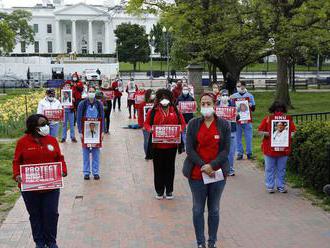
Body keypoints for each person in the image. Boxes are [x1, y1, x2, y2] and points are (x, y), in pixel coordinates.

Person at [182, 92, 230, 248]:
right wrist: (203, 165)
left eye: (209, 103)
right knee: (197, 210)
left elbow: (225, 151)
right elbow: (189, 149)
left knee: (214, 209)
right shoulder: (193, 124)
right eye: (203, 103)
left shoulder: (224, 125)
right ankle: (200, 242)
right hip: (197, 174)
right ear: (199, 105)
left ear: (214, 105)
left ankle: (212, 242)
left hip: (217, 174)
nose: (206, 106)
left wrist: (212, 166)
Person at [12, 114, 67, 248]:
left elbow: (59, 158)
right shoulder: (22, 142)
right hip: (30, 188)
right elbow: (16, 161)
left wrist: (63, 169)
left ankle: (51, 241)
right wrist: (17, 174)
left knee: (51, 214)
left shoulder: (52, 140)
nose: (46, 126)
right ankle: (40, 242)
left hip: (51, 187)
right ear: (33, 127)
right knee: (35, 215)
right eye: (43, 124)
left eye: (46, 123)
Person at [144, 89, 186, 200]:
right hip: (157, 145)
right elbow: (146, 124)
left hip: (171, 145)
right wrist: (151, 130)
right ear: (158, 99)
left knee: (170, 168)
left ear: (170, 99)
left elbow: (183, 124)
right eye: (162, 98)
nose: (164, 101)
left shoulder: (176, 110)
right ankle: (159, 190)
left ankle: (169, 190)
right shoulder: (153, 111)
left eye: (166, 98)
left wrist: (180, 130)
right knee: (158, 168)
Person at [258, 101, 296, 193]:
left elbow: (293, 132)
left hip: (278, 150)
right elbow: (260, 131)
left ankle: (273, 186)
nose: (279, 111)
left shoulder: (287, 120)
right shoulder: (268, 119)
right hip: (273, 150)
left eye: (280, 110)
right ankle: (278, 186)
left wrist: (288, 135)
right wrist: (269, 133)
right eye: (277, 110)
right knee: (278, 169)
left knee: (272, 169)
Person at [77, 86, 105, 180]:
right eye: (90, 91)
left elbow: (102, 117)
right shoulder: (82, 104)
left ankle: (96, 172)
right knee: (85, 152)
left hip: (96, 131)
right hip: (85, 131)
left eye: (93, 91)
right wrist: (80, 131)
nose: (91, 93)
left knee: (96, 152)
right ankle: (86, 172)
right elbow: (78, 118)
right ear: (87, 92)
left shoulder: (99, 104)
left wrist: (102, 131)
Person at [231, 81, 256, 160]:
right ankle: (239, 153)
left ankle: (249, 153)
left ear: (244, 86)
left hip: (247, 120)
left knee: (248, 137)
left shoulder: (250, 96)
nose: (238, 88)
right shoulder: (234, 96)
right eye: (237, 86)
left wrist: (251, 105)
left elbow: (254, 108)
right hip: (237, 120)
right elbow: (230, 107)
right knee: (238, 137)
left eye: (240, 86)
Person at [218, 89, 237, 176]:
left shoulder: (233, 105)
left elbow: (239, 117)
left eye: (226, 95)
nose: (224, 97)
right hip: (220, 132)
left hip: (231, 131)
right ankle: (221, 169)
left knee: (231, 152)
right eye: (223, 95)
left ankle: (230, 169)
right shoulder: (216, 106)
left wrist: (236, 115)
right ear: (220, 96)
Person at [141, 89, 155, 157]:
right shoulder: (142, 104)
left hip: (154, 125)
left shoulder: (156, 104)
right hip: (145, 125)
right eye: (151, 94)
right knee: (146, 140)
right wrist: (142, 125)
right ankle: (147, 154)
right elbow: (140, 116)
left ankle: (152, 153)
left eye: (154, 94)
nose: (153, 95)